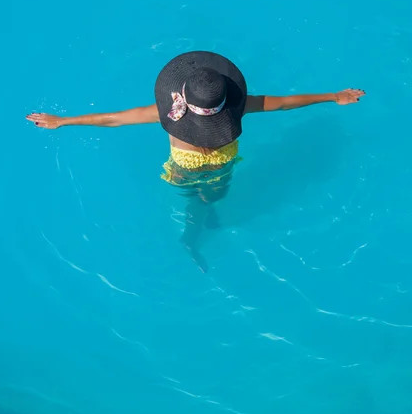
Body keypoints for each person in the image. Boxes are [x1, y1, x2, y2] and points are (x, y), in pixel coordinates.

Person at [26, 51, 365, 272]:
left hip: (187, 170)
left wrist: (64, 121)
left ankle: (200, 224)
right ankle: (190, 238)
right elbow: (284, 103)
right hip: (216, 165)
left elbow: (115, 119)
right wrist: (333, 96)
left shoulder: (165, 113)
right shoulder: (239, 106)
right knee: (206, 201)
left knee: (206, 200)